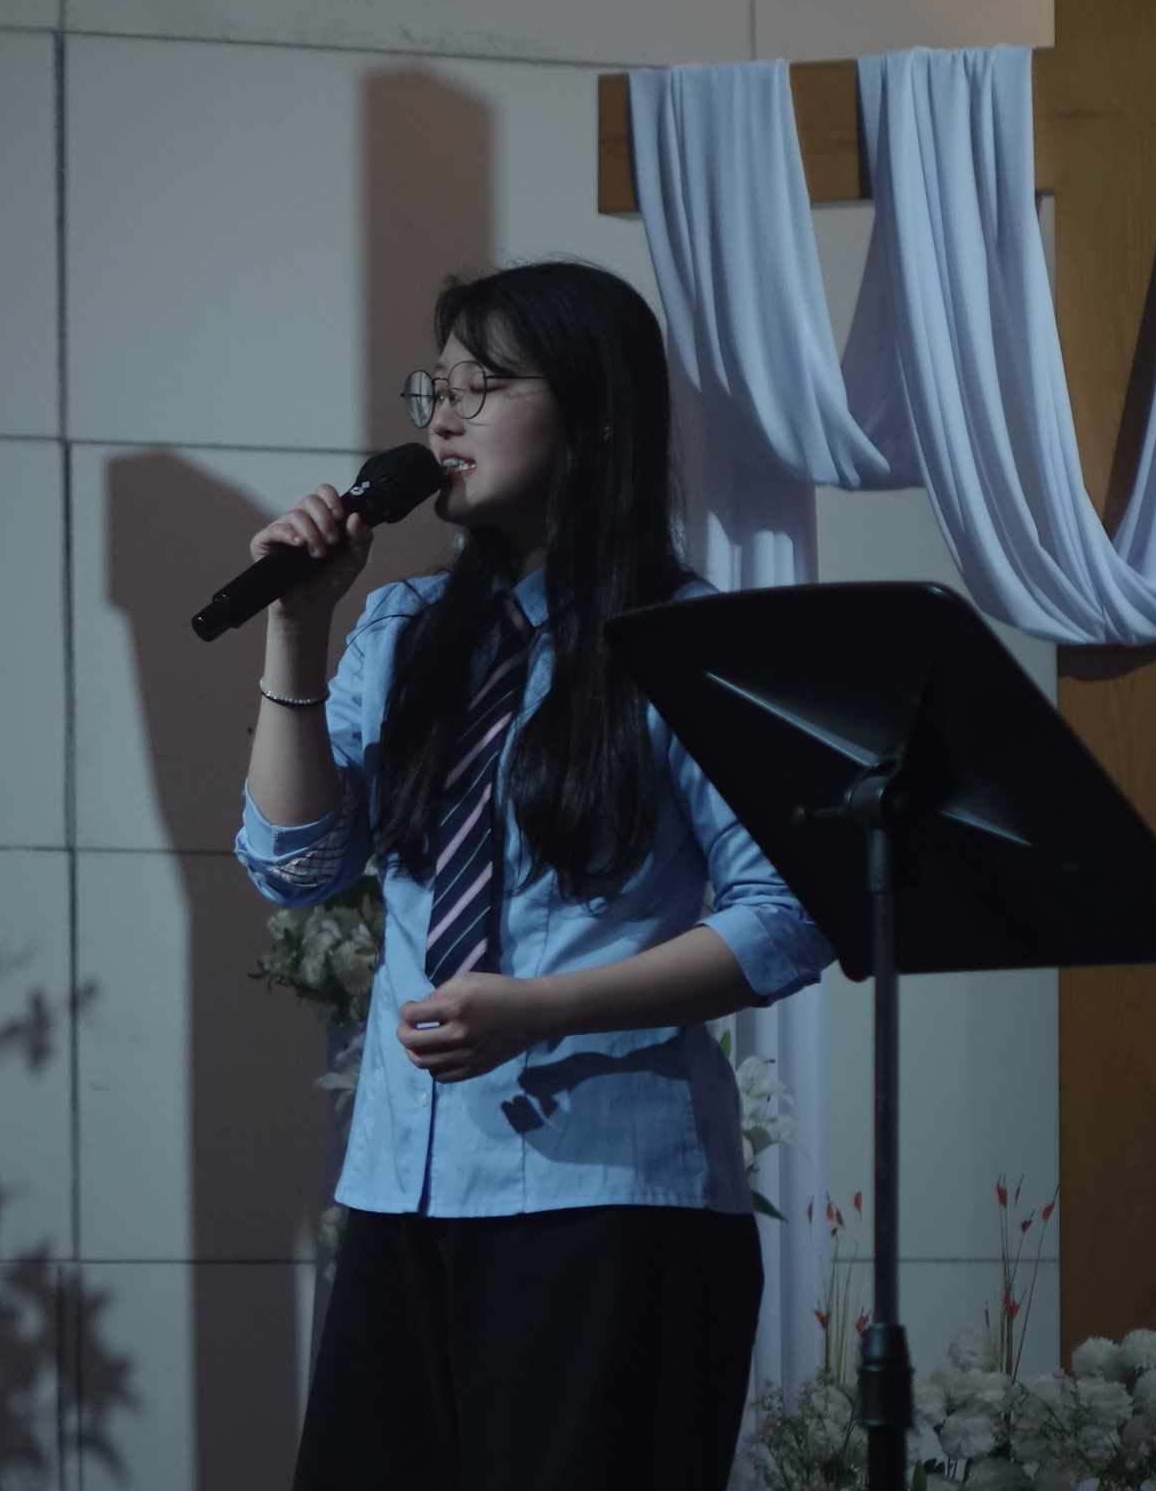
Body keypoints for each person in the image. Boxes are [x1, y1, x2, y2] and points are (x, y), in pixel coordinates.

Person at [235, 261, 833, 1489]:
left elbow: (786, 915)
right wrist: (294, 631)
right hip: (403, 1187)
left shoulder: (684, 636)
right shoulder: (401, 629)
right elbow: (294, 863)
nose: (443, 419)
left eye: (483, 385)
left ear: (591, 413)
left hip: (610, 1195)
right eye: (434, 388)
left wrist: (544, 1008)